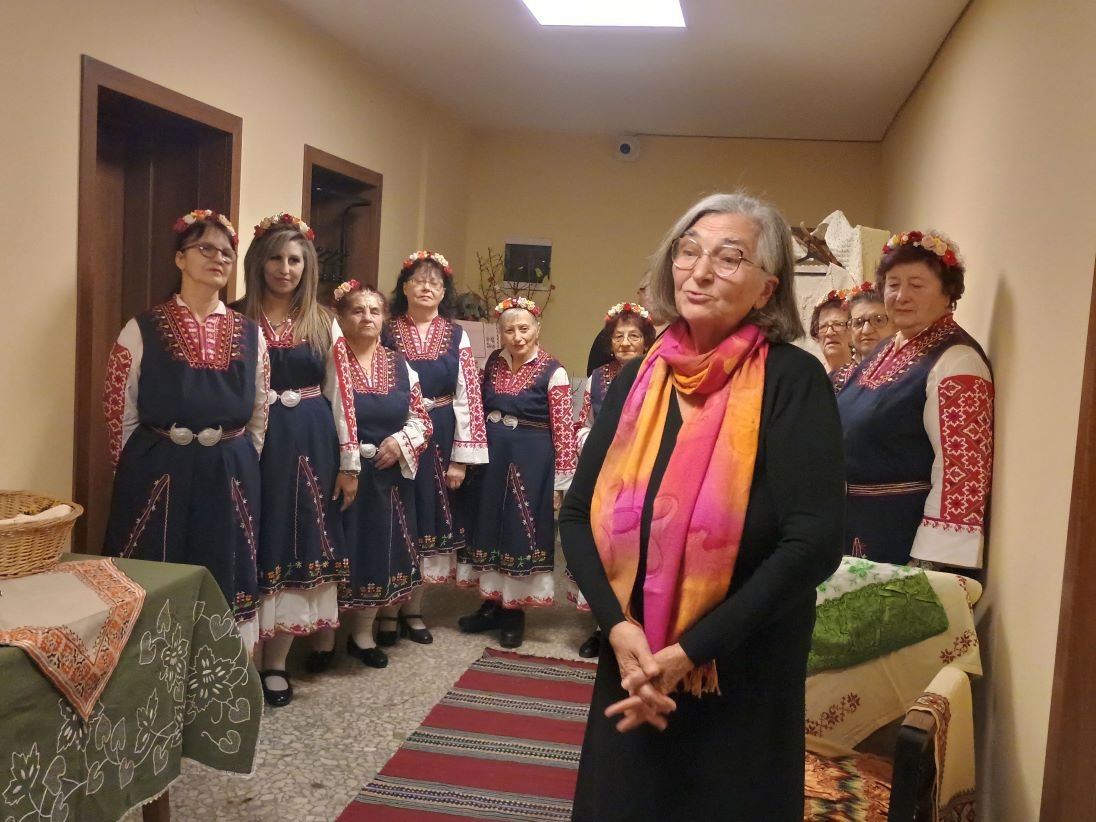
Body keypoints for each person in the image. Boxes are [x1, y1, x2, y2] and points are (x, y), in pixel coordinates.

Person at [559, 192, 845, 820]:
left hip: (741, 662)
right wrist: (617, 627)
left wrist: (690, 651)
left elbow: (814, 541)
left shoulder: (793, 381)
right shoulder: (638, 378)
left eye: (729, 257)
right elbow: (577, 515)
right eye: (688, 252)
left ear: (768, 288)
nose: (701, 271)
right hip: (633, 654)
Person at [103, 209, 269, 651]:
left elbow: (258, 414)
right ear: (180, 258)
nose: (218, 259)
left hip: (229, 467)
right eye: (206, 249)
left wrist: (238, 459)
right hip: (158, 466)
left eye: (227, 254)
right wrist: (134, 469)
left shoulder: (250, 334)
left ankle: (220, 667)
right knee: (155, 563)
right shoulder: (141, 328)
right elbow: (120, 409)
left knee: (223, 563)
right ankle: (148, 668)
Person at [236, 212, 354, 706]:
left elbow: (341, 394)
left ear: (307, 267)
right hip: (251, 444)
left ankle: (277, 663)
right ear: (258, 263)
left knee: (297, 540)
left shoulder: (323, 322)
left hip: (310, 442)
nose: (285, 269)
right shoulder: (236, 319)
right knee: (254, 539)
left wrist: (348, 463)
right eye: (276, 259)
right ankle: (243, 660)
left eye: (295, 260)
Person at [837, 230, 993, 569]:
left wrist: (930, 564)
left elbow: (962, 473)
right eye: (893, 284)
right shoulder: (885, 349)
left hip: (903, 542)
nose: (901, 296)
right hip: (856, 529)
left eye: (917, 285)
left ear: (948, 292)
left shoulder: (957, 361)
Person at [316, 281, 432, 668]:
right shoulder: (328, 360)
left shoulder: (400, 365)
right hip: (337, 473)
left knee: (376, 549)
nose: (367, 317)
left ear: (385, 318)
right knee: (337, 548)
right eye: (357, 310)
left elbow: (422, 419)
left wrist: (400, 442)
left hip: (386, 477)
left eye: (375, 310)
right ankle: (324, 638)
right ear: (341, 317)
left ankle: (362, 636)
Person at [456, 296, 577, 649]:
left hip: (531, 463)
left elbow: (564, 431)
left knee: (518, 530)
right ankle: (491, 605)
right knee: (489, 526)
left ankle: (513, 613)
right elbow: (476, 405)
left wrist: (560, 483)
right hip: (491, 459)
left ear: (537, 329)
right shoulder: (493, 362)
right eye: (509, 330)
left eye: (524, 328)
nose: (517, 336)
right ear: (501, 333)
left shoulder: (553, 371)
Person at [382, 250, 488, 645]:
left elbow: (468, 394)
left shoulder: (456, 334)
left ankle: (414, 609)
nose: (427, 288)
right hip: (396, 432)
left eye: (435, 283)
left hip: (441, 435)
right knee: (397, 517)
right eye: (419, 281)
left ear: (444, 292)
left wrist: (461, 459)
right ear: (405, 287)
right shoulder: (387, 330)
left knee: (427, 521)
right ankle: (387, 610)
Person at [571, 301, 657, 658]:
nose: (625, 343)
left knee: (635, 548)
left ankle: (638, 623)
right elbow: (581, 424)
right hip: (603, 475)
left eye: (633, 336)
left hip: (643, 475)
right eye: (618, 336)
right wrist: (598, 448)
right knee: (602, 543)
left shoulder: (658, 374)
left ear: (646, 341)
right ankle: (602, 624)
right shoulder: (596, 377)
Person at [810, 289, 855, 392]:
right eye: (823, 326)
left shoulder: (859, 376)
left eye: (838, 324)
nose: (829, 333)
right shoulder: (811, 375)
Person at [846, 281, 896, 360]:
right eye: (858, 323)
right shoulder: (842, 369)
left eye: (878, 320)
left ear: (895, 325)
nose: (866, 331)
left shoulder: (910, 366)